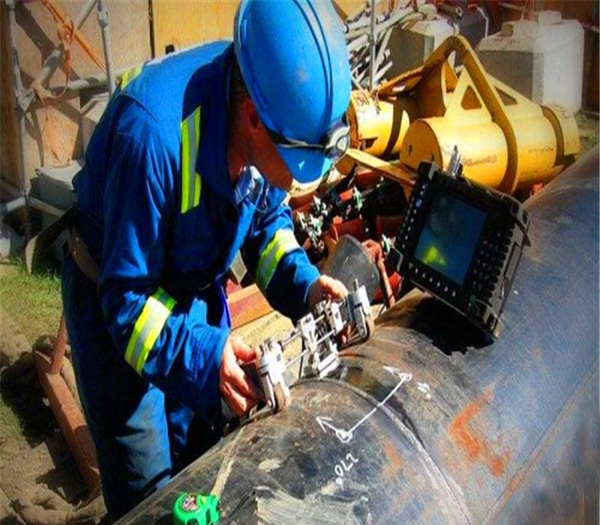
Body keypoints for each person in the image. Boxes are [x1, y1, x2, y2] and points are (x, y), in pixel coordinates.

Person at [61, 0, 352, 519]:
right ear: (252, 119)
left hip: (189, 293)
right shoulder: (152, 138)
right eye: (296, 159)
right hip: (120, 311)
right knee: (152, 497)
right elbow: (126, 301)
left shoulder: (262, 102)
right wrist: (204, 354)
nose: (297, 177)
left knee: (206, 466)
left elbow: (266, 226)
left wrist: (306, 286)